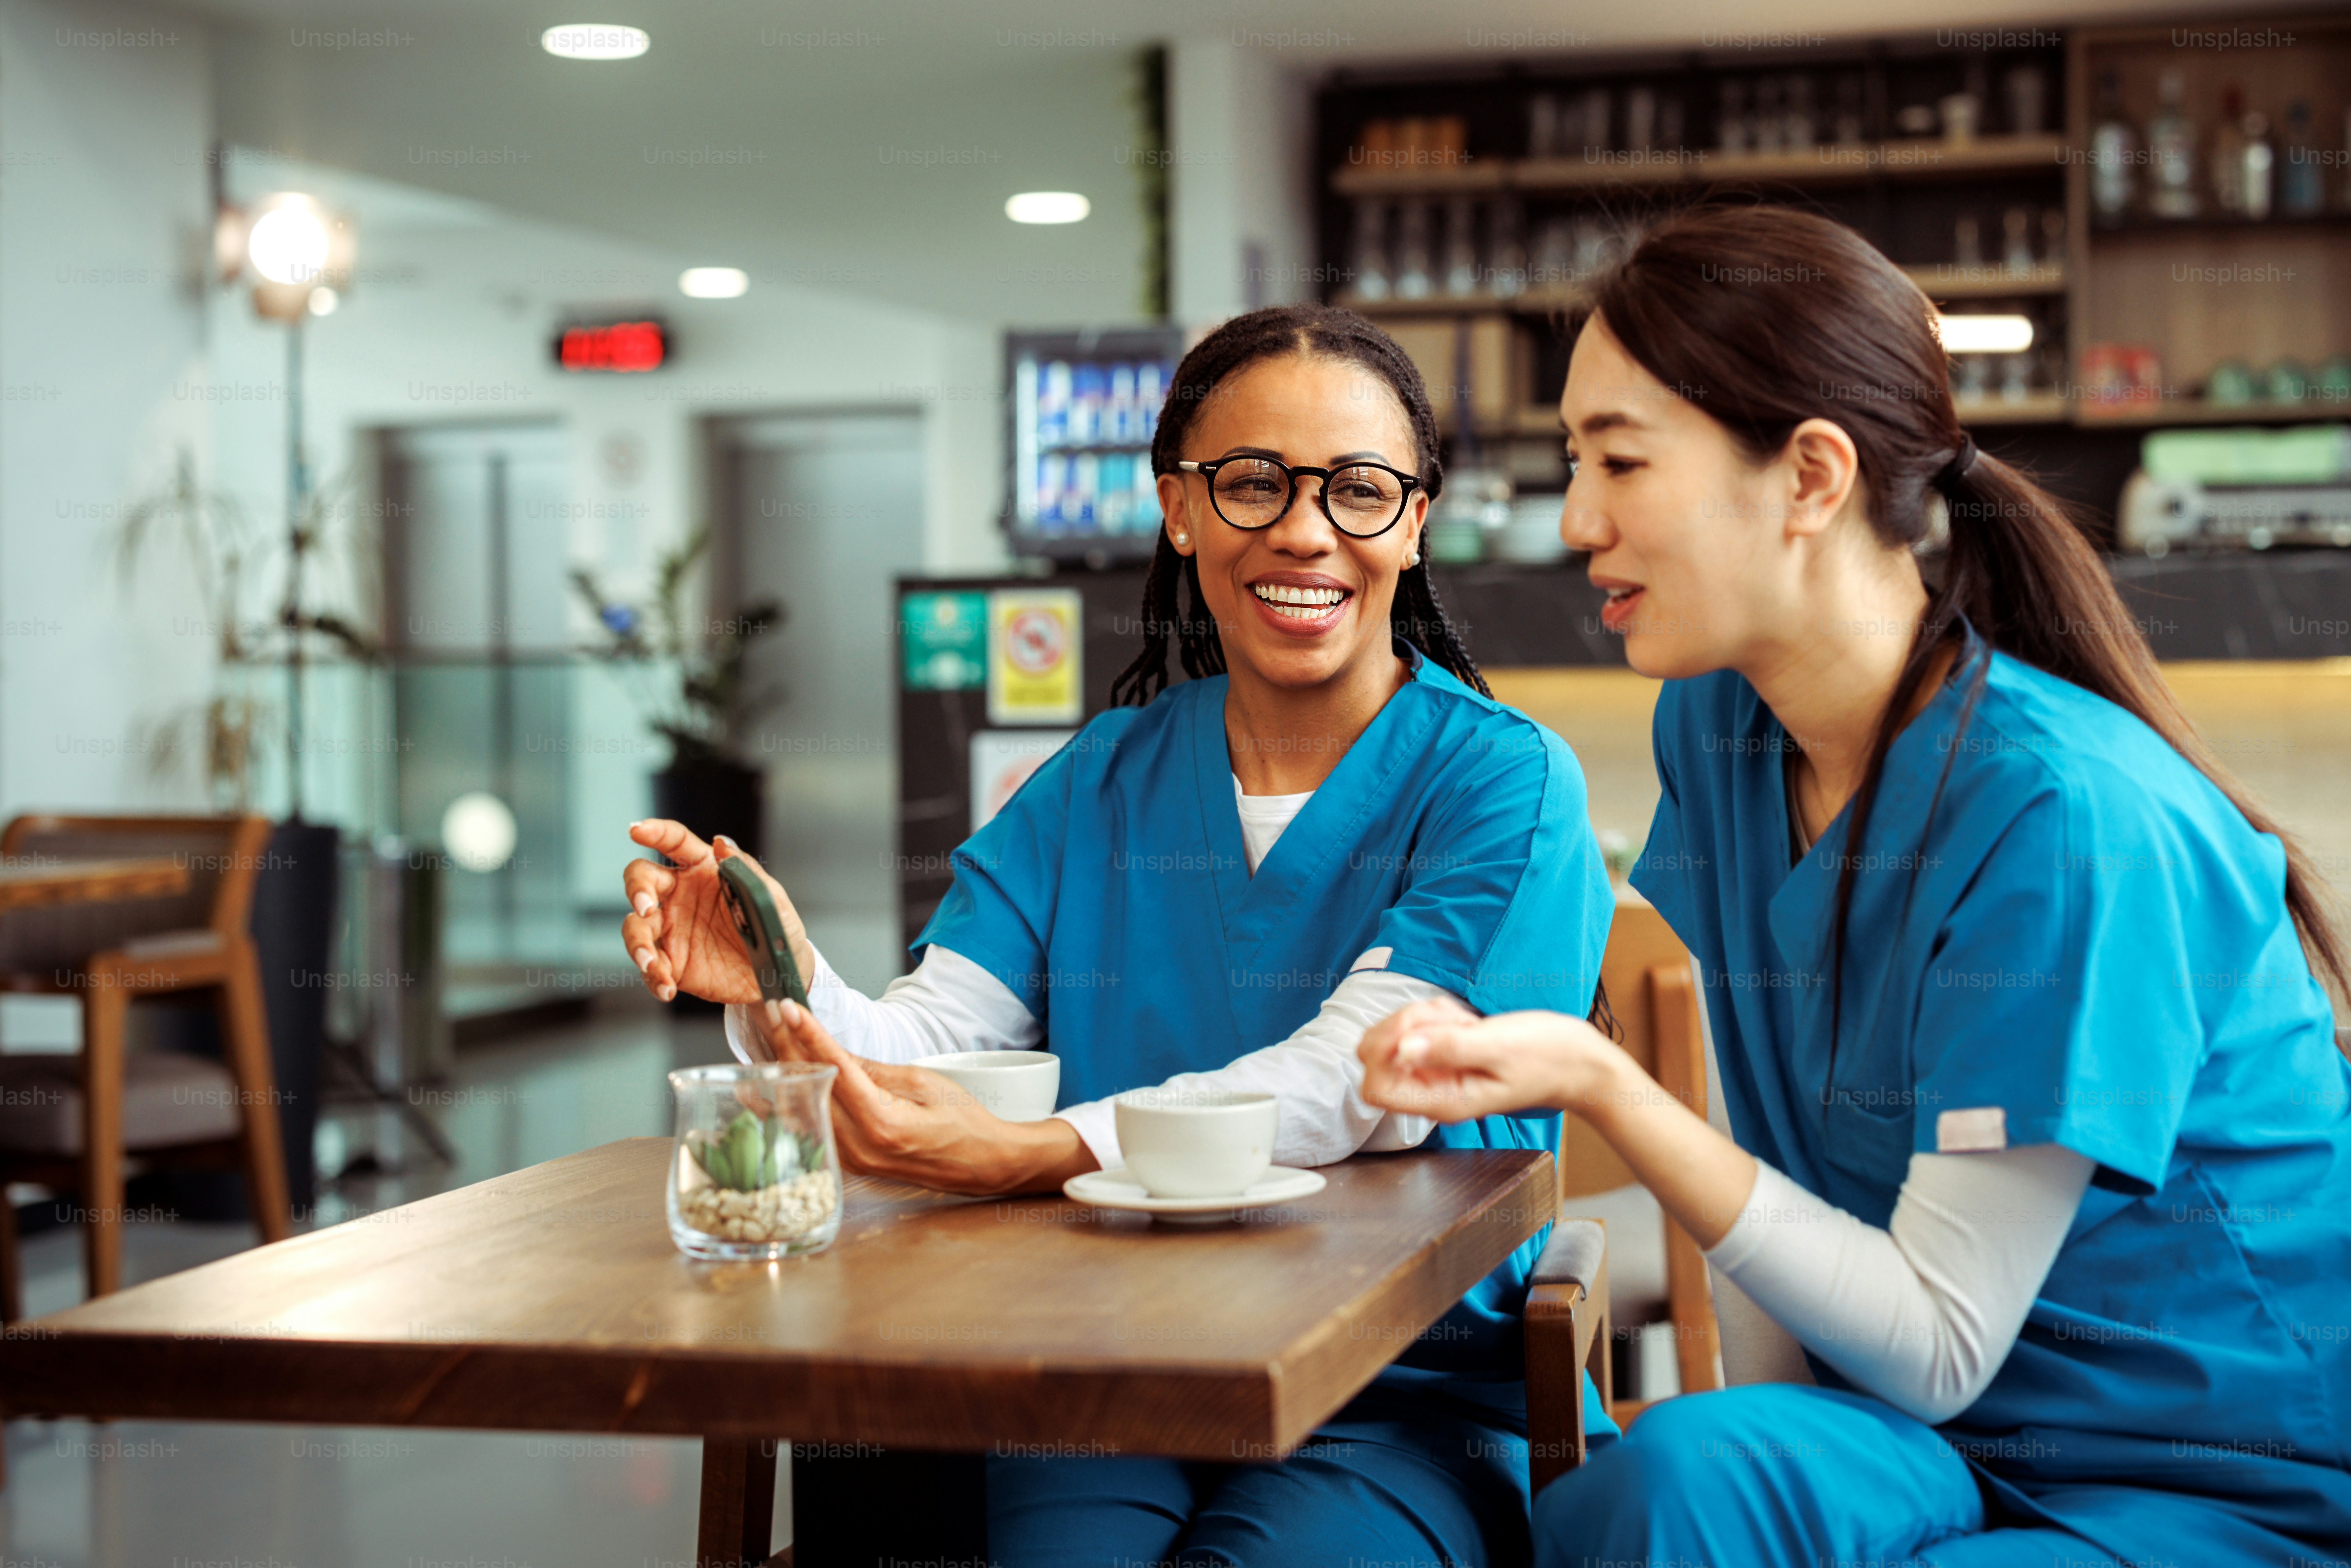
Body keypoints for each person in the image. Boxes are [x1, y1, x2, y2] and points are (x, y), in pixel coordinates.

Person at [1360, 205, 2351, 1568]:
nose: (1578, 518)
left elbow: (1939, 1341)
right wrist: (1756, 1464)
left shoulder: (2063, 818)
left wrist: (1603, 1086)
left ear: (1811, 476)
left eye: (1621, 461)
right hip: (1929, 1441)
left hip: (2198, 1483)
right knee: (1673, 1480)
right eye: (1572, 460)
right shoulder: (1716, 726)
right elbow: (1771, 1163)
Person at [621, 303, 1618, 1568]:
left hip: (1404, 1399)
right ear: (1180, 507)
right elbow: (928, 1050)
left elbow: (1362, 1079)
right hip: (1112, 1370)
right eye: (1253, 483)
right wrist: (780, 985)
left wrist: (1023, 1153)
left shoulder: (1503, 785)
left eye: (1360, 490)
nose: (1306, 531)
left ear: (1414, 521)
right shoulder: (1096, 778)